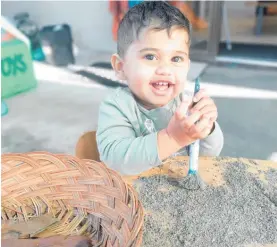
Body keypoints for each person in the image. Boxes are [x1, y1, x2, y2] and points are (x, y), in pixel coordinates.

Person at [96, 1, 224, 175]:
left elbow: (208, 155)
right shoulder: (117, 106)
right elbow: (116, 161)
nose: (165, 69)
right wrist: (173, 138)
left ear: (187, 66)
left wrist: (207, 128)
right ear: (120, 67)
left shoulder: (185, 104)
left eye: (176, 59)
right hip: (132, 195)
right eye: (150, 56)